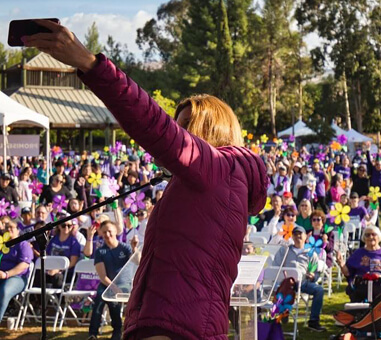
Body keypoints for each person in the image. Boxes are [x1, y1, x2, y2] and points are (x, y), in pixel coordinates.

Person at [24, 22, 268, 340]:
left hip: (175, 326)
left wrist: (89, 63)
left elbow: (153, 124)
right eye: (176, 128)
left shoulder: (218, 168)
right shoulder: (213, 180)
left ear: (210, 133)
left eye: (183, 129)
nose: (175, 137)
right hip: (171, 322)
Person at [272, 226, 326, 332]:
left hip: (303, 282)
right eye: (295, 234)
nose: (298, 236)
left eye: (300, 234)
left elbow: (316, 273)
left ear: (306, 236)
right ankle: (283, 311)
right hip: (285, 282)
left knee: (319, 290)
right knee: (283, 285)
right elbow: (275, 266)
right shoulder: (285, 250)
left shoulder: (311, 253)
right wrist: (282, 274)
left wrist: (313, 276)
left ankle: (313, 322)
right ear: (292, 236)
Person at [88, 220, 133, 340]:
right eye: (104, 232)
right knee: (99, 299)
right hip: (107, 284)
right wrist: (113, 287)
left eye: (109, 231)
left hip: (124, 284)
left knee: (113, 302)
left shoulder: (126, 248)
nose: (107, 235)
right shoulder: (100, 251)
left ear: (116, 231)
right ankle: (92, 333)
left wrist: (134, 248)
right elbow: (102, 277)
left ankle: (117, 330)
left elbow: (137, 262)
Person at [335, 226, 381, 302]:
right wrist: (341, 263)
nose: (370, 237)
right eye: (367, 235)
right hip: (362, 288)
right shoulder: (358, 253)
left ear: (379, 237)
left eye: (373, 234)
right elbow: (348, 273)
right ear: (364, 238)